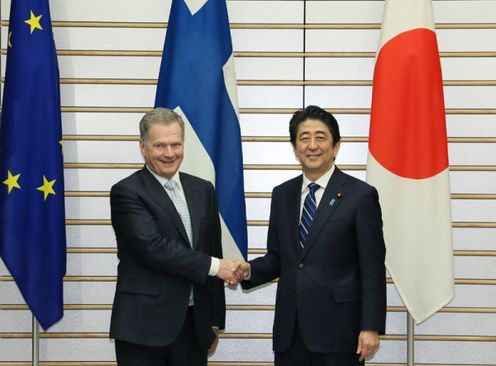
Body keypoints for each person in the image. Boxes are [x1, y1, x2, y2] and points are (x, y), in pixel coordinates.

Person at [236, 106, 387, 365]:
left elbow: (372, 267)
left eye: (321, 137)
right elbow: (280, 258)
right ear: (295, 147)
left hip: (340, 332)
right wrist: (247, 270)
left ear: (336, 146)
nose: (312, 145)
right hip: (290, 330)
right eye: (304, 138)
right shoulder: (282, 194)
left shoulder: (361, 195)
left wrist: (371, 326)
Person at [109, 108, 241, 366]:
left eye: (176, 144)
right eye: (159, 145)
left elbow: (213, 248)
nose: (169, 153)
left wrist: (213, 321)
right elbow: (153, 248)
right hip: (142, 329)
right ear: (143, 147)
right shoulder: (127, 192)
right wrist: (217, 267)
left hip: (193, 327)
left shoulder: (202, 189)